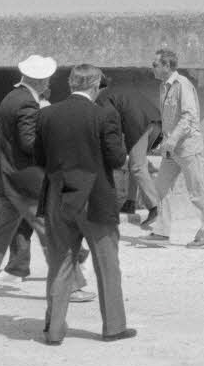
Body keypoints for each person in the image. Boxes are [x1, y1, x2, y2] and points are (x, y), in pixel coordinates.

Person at [0, 55, 92, 303]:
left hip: (9, 179)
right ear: (40, 81)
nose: (49, 82)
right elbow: (29, 142)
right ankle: (70, 287)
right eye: (47, 79)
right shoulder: (28, 103)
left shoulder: (12, 98)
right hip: (27, 183)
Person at [35, 64, 136, 343]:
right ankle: (114, 327)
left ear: (70, 84)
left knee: (59, 263)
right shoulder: (104, 114)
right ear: (95, 85)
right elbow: (116, 158)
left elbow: (39, 158)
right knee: (106, 264)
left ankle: (54, 330)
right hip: (95, 197)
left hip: (57, 195)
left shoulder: (46, 115)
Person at [150, 49, 204, 247]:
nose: (152, 68)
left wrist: (172, 140)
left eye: (155, 65)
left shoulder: (183, 85)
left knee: (197, 192)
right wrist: (165, 141)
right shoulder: (163, 86)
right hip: (171, 149)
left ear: (167, 66)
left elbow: (189, 116)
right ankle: (161, 232)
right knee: (161, 188)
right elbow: (169, 120)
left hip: (187, 147)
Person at [96, 76, 162, 219]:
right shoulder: (116, 91)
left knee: (137, 166)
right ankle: (130, 202)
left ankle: (155, 206)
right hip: (155, 123)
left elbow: (111, 122)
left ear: (95, 87)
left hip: (140, 125)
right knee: (135, 163)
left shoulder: (102, 97)